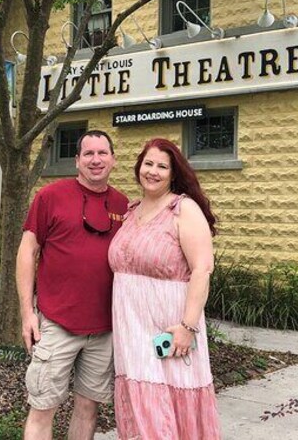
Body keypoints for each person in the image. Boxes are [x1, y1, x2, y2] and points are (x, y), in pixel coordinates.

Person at [16, 130, 129, 440]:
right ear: (77, 161)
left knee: (88, 408)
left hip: (103, 329)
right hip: (56, 323)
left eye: (102, 153)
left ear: (113, 160)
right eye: (88, 154)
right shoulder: (50, 197)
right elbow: (27, 251)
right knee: (42, 407)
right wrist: (27, 313)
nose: (96, 160)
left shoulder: (123, 205)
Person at [108, 138, 221, 439]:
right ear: (138, 168)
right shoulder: (130, 212)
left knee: (173, 403)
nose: (153, 171)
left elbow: (202, 269)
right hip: (131, 331)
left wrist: (188, 326)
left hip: (170, 327)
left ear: (173, 173)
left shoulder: (183, 209)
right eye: (148, 164)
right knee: (142, 407)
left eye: (162, 166)